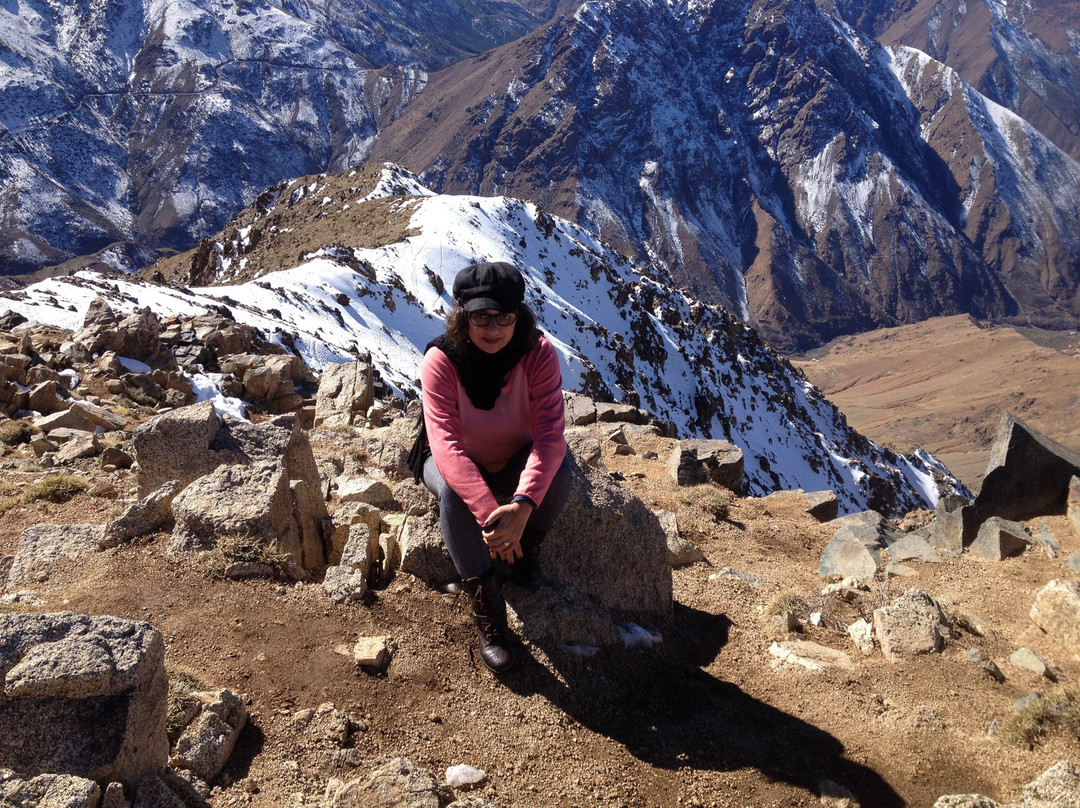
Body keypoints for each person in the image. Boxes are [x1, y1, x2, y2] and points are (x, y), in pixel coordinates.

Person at [420, 261, 572, 673]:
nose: (493, 328)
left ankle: (526, 548)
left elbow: (550, 437)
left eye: (504, 316)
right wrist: (495, 522)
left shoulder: (538, 354)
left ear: (518, 316)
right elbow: (446, 448)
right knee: (453, 491)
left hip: (515, 454)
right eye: (481, 317)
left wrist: (522, 508)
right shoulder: (441, 360)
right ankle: (485, 597)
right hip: (454, 458)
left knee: (561, 467)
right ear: (462, 315)